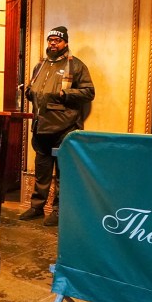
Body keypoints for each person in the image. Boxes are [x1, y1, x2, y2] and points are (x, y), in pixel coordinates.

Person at [19, 26, 95, 227]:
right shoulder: (41, 65)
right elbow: (32, 88)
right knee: (42, 170)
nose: (53, 43)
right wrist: (29, 92)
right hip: (40, 126)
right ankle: (37, 207)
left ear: (65, 43)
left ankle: (59, 211)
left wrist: (65, 94)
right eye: (50, 40)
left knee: (63, 171)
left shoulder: (76, 65)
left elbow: (89, 92)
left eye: (57, 40)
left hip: (65, 128)